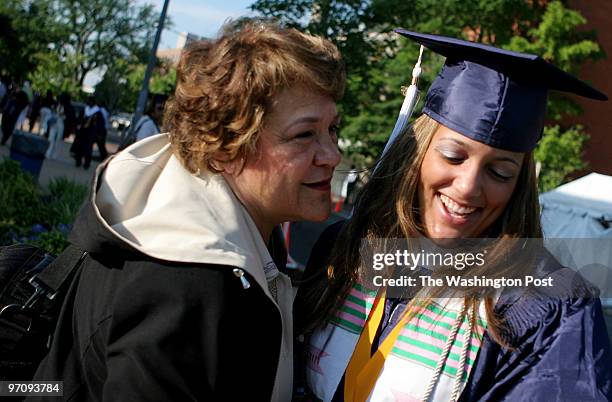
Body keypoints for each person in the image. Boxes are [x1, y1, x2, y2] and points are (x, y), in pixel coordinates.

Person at [30, 20, 345, 401]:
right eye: (304, 135)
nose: (332, 155)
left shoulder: (240, 229)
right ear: (228, 145)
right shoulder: (184, 282)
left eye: (333, 130)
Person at [295, 31, 612, 402]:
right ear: (416, 152)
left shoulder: (544, 306)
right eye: (452, 156)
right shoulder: (345, 250)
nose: (467, 188)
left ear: (518, 186)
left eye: (500, 173)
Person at [71, 96, 106, 169]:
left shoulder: (97, 112)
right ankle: (78, 161)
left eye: (89, 101)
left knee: (88, 148)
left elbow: (100, 124)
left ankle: (86, 163)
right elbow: (79, 119)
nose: (88, 103)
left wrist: (99, 134)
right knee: (79, 147)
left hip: (91, 133)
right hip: (82, 131)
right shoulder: (85, 110)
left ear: (93, 102)